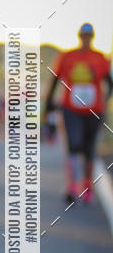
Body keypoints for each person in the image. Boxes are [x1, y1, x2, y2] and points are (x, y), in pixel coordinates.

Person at [45, 23, 112, 203]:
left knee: (89, 149)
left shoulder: (100, 58)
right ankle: (72, 187)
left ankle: (87, 185)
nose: (86, 39)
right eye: (84, 35)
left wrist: (105, 100)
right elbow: (55, 78)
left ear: (92, 37)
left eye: (89, 36)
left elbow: (109, 82)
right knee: (74, 145)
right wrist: (48, 104)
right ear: (79, 36)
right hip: (70, 108)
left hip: (94, 110)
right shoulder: (68, 57)